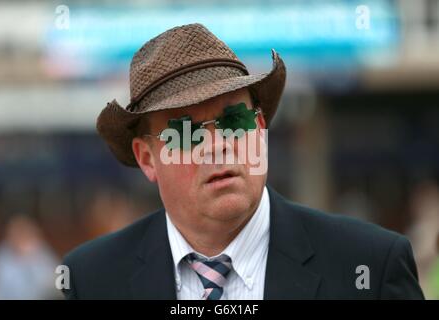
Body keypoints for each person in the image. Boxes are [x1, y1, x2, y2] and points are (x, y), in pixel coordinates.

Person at [62, 23, 424, 300]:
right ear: (147, 158)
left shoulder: (369, 267)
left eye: (235, 121)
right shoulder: (91, 280)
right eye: (187, 132)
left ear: (261, 128)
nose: (218, 144)